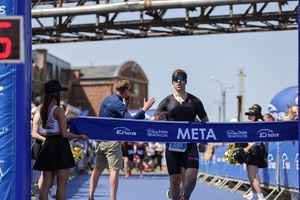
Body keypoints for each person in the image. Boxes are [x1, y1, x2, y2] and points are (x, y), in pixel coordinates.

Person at [88, 79, 155, 200]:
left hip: (100, 140)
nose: (129, 92)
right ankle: (113, 198)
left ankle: (91, 196)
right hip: (112, 141)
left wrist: (126, 105)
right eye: (129, 90)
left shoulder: (107, 99)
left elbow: (116, 116)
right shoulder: (117, 103)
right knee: (114, 170)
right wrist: (144, 109)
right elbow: (130, 121)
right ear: (125, 91)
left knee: (98, 169)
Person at [151, 69, 209, 200]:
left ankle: (186, 197)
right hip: (172, 145)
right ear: (172, 82)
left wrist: (202, 141)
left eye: (182, 79)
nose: (179, 82)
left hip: (190, 144)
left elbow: (205, 122)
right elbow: (152, 121)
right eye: (176, 79)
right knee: (175, 181)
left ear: (186, 81)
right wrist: (157, 118)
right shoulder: (167, 101)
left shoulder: (195, 101)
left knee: (192, 176)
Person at [33, 79, 89, 200]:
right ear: (55, 93)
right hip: (59, 146)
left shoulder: (41, 109)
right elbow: (64, 134)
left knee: (46, 184)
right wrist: (80, 136)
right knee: (61, 185)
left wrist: (65, 120)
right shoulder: (58, 109)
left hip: (48, 144)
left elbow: (51, 126)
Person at [242, 106, 267, 200]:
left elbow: (257, 140)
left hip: (254, 150)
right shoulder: (250, 125)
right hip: (251, 150)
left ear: (256, 116)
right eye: (248, 114)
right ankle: (255, 194)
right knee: (251, 174)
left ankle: (260, 196)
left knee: (253, 175)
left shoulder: (257, 125)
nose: (249, 116)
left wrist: (247, 148)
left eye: (252, 115)